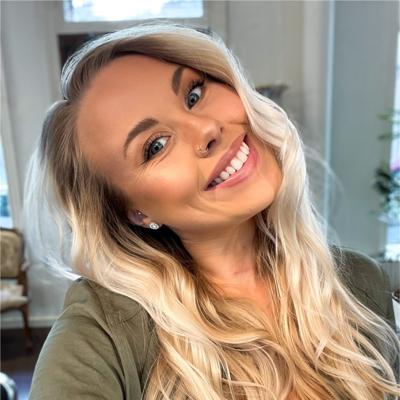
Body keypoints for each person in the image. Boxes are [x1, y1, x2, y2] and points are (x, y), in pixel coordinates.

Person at [25, 22, 399, 399]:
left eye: (194, 94)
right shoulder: (104, 332)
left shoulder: (361, 283)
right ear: (134, 211)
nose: (206, 129)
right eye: (155, 146)